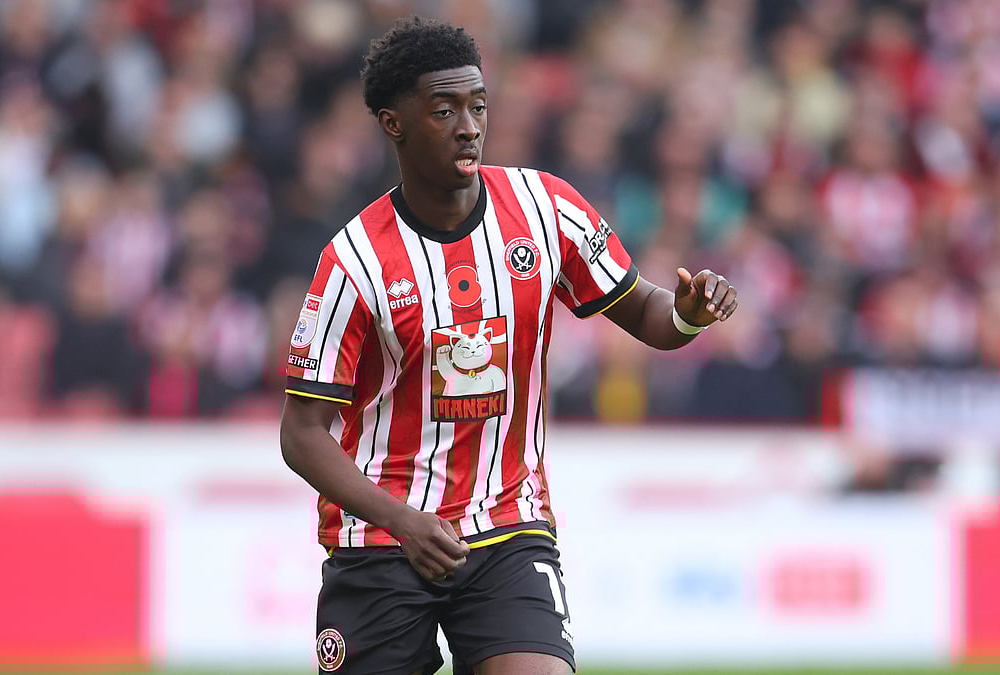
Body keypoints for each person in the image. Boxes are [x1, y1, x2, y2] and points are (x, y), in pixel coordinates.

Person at [279, 17, 739, 675]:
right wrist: (403, 519)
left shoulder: (547, 209)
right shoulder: (355, 261)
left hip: (507, 528)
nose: (469, 125)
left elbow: (649, 316)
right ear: (393, 123)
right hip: (382, 539)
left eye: (477, 105)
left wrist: (688, 314)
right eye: (444, 110)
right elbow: (301, 432)